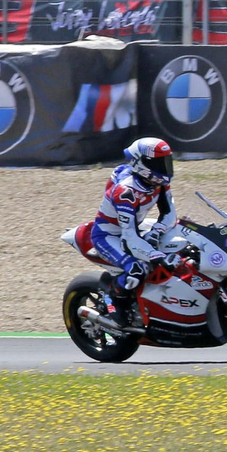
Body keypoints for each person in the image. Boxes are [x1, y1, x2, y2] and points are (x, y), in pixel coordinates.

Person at [88, 137, 176, 328]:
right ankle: (114, 301)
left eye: (167, 161)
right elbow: (129, 238)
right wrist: (156, 256)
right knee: (138, 269)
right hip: (109, 235)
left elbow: (169, 214)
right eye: (159, 162)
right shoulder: (126, 191)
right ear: (141, 163)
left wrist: (157, 232)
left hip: (136, 227)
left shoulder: (158, 182)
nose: (165, 167)